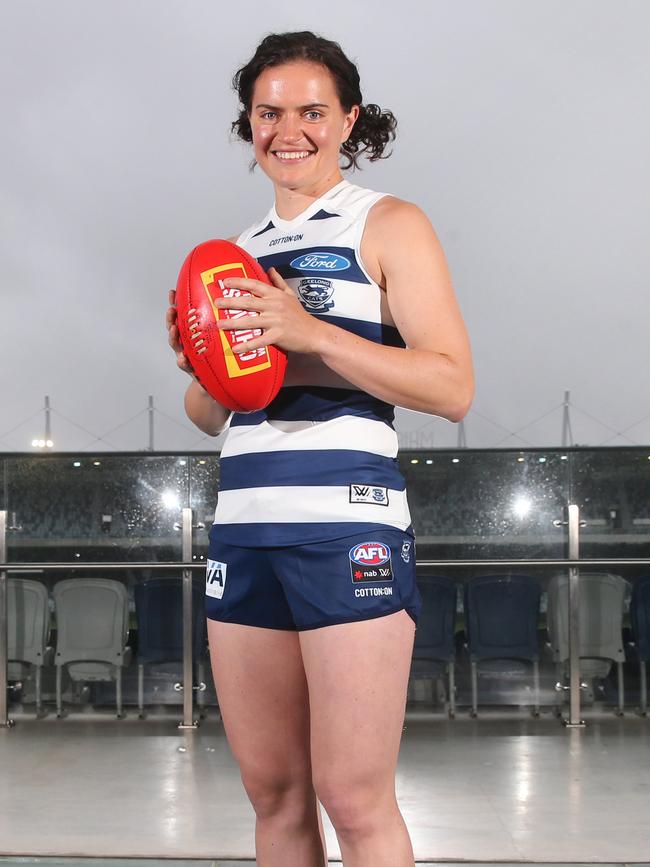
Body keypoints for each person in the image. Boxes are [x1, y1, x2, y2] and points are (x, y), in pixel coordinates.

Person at [167, 30, 474, 867]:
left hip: (348, 530)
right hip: (245, 533)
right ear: (249, 124)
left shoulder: (389, 222)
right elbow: (210, 412)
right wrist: (200, 355)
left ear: (349, 120)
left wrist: (310, 332)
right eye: (269, 113)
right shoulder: (238, 252)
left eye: (310, 111)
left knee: (354, 796)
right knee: (272, 792)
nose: (288, 130)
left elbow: (451, 386)